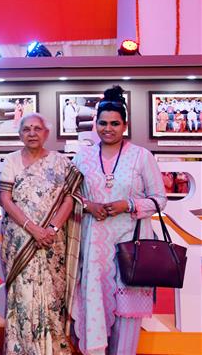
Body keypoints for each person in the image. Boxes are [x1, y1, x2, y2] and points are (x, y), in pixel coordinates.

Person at [71, 85, 167, 355]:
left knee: (127, 312)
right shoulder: (83, 158)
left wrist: (129, 204)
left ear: (125, 125)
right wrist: (88, 205)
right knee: (94, 305)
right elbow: (69, 197)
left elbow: (160, 199)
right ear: (95, 124)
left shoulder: (141, 157)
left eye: (115, 123)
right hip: (94, 248)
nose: (108, 129)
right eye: (103, 123)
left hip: (131, 245)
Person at [0, 113, 82, 354]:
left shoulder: (61, 163)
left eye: (37, 129)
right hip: (21, 240)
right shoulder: (12, 161)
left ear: (46, 133)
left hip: (51, 241)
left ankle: (52, 348)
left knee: (52, 296)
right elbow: (6, 199)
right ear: (20, 134)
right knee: (22, 297)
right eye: (27, 129)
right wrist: (33, 229)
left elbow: (70, 198)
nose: (32, 133)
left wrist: (52, 228)